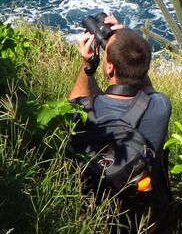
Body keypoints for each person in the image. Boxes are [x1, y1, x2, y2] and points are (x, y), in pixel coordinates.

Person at [68, 15, 172, 156]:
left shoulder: (90, 110)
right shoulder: (161, 106)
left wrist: (88, 64)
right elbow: (145, 82)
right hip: (145, 177)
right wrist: (127, 40)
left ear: (110, 68)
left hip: (97, 176)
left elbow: (75, 99)